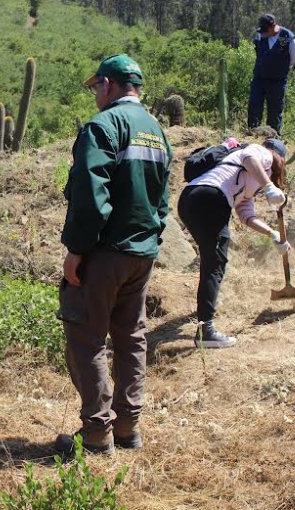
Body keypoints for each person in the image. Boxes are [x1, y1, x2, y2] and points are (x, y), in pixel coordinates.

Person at [55, 54, 171, 455]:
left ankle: (96, 435)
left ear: (108, 84)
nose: (93, 95)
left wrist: (77, 249)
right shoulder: (156, 130)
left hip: (104, 253)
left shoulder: (103, 126)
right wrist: (152, 236)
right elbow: (163, 198)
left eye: (95, 88)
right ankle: (127, 428)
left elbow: (90, 195)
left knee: (86, 338)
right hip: (142, 254)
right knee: (131, 338)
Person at [178, 139, 291, 349]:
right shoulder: (262, 153)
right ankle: (206, 331)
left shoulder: (247, 180)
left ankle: (205, 318)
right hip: (211, 198)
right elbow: (250, 156)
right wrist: (268, 186)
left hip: (189, 200)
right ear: (279, 156)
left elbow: (245, 214)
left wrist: (272, 233)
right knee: (215, 264)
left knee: (212, 262)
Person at [248, 13, 295, 134]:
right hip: (259, 78)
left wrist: (281, 67)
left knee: (275, 110)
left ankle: (272, 139)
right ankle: (252, 133)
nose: (263, 33)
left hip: (277, 81)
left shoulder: (285, 36)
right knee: (254, 106)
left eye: (266, 30)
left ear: (273, 26)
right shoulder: (261, 36)